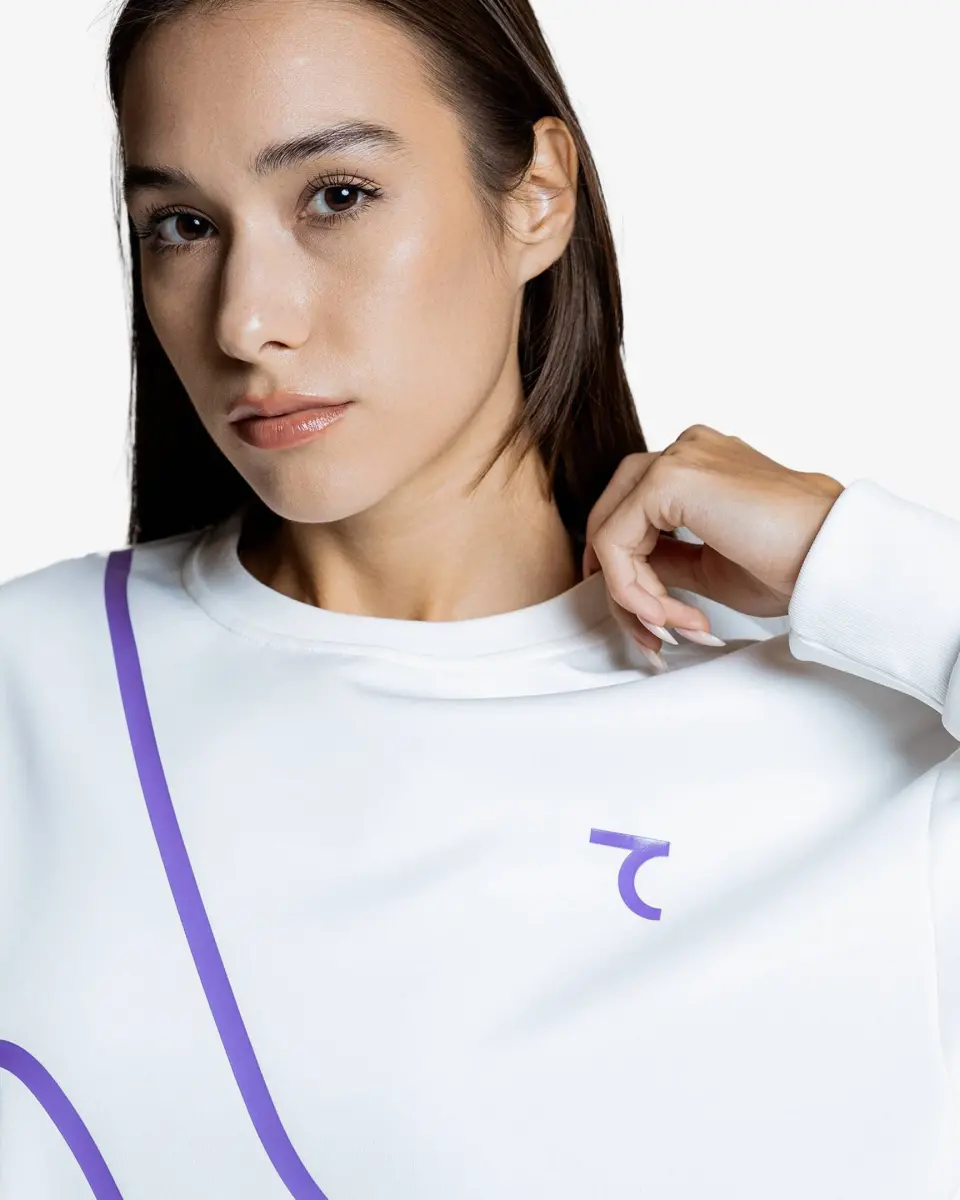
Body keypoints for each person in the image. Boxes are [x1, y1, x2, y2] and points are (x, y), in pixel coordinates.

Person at [0, 0, 958, 1196]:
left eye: (336, 196)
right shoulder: (34, 689)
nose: (247, 320)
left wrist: (854, 551)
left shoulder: (860, 748)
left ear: (537, 196)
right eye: (183, 226)